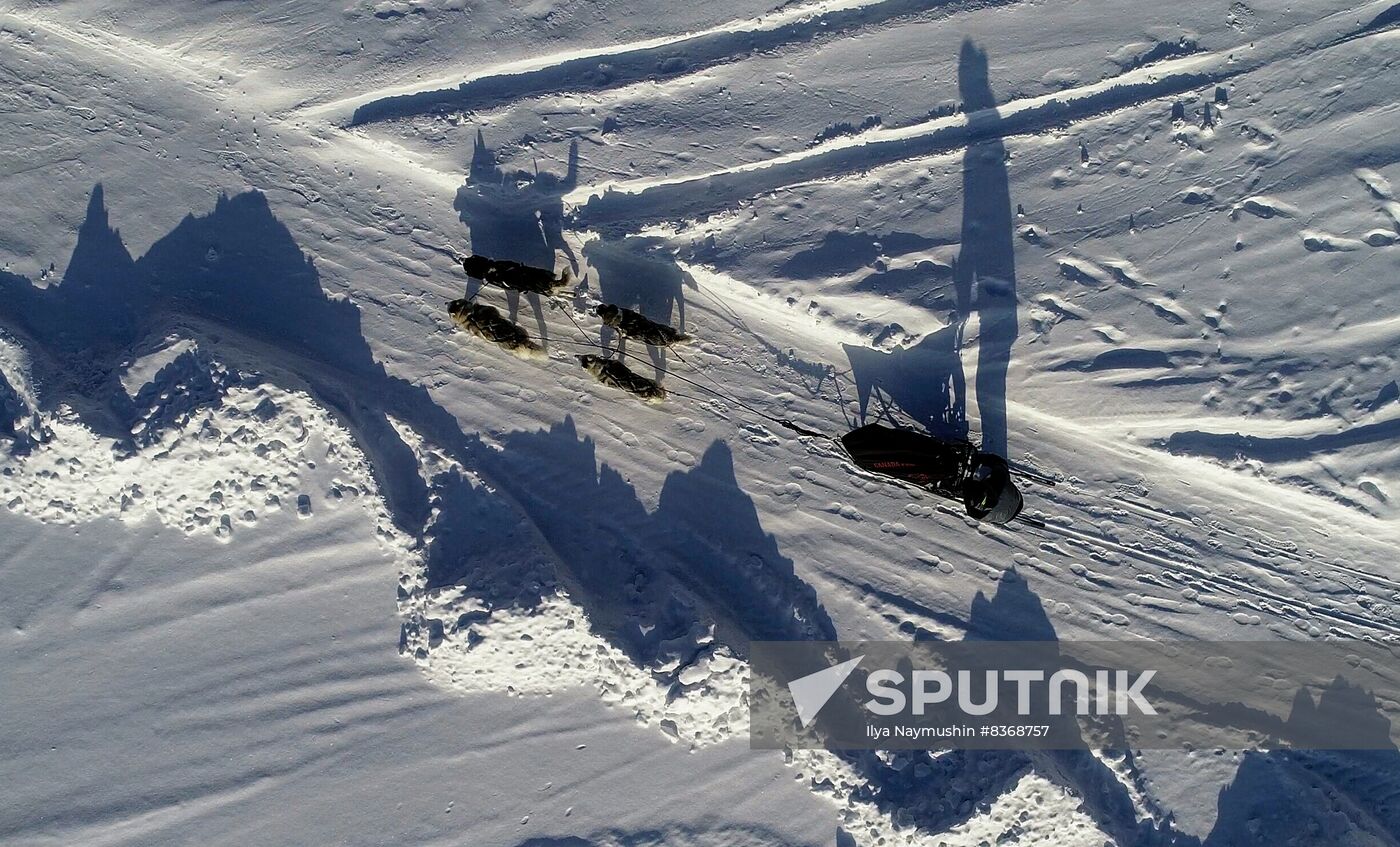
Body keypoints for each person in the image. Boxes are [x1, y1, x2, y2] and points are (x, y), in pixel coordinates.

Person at [460, 254, 571, 296]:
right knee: (537, 278)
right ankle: (556, 284)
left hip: (526, 282)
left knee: (538, 285)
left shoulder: (491, 278)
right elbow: (513, 264)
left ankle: (556, 289)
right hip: (527, 273)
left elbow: (508, 286)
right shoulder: (498, 264)